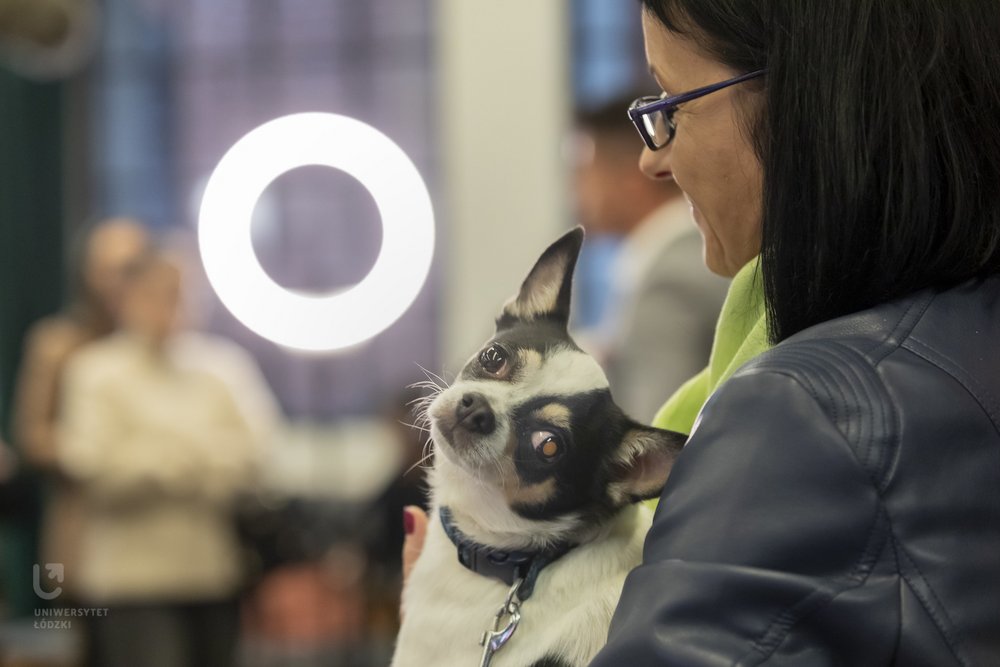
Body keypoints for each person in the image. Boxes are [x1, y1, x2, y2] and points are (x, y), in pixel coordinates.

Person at [406, 1, 1000, 663]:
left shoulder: (803, 413)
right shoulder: (961, 340)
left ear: (805, 105)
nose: (650, 163)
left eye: (671, 104)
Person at [58, 251, 275, 667]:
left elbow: (256, 453)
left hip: (212, 574)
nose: (172, 305)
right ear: (126, 297)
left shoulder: (224, 368)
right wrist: (194, 458)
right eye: (158, 293)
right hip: (130, 583)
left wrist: (157, 455)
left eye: (181, 294)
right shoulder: (94, 371)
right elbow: (94, 468)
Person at [13, 217, 149, 597]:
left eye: (129, 269)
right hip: (84, 532)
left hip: (159, 541)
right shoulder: (58, 345)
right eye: (106, 269)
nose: (116, 282)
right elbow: (33, 436)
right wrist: (99, 455)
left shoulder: (167, 353)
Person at [573, 95, 729, 423]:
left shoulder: (669, 281)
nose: (574, 189)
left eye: (584, 171)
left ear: (632, 176)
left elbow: (656, 439)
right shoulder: (693, 258)